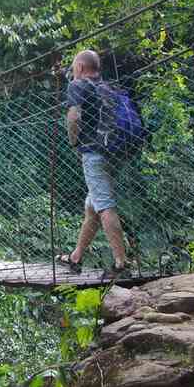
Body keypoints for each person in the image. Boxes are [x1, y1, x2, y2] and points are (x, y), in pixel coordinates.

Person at [57, 49, 129, 276]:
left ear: (79, 67)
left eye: (73, 67)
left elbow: (74, 116)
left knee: (104, 205)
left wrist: (73, 141)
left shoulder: (78, 85)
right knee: (92, 206)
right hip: (117, 152)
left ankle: (121, 263)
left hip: (94, 154)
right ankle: (76, 256)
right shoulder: (110, 88)